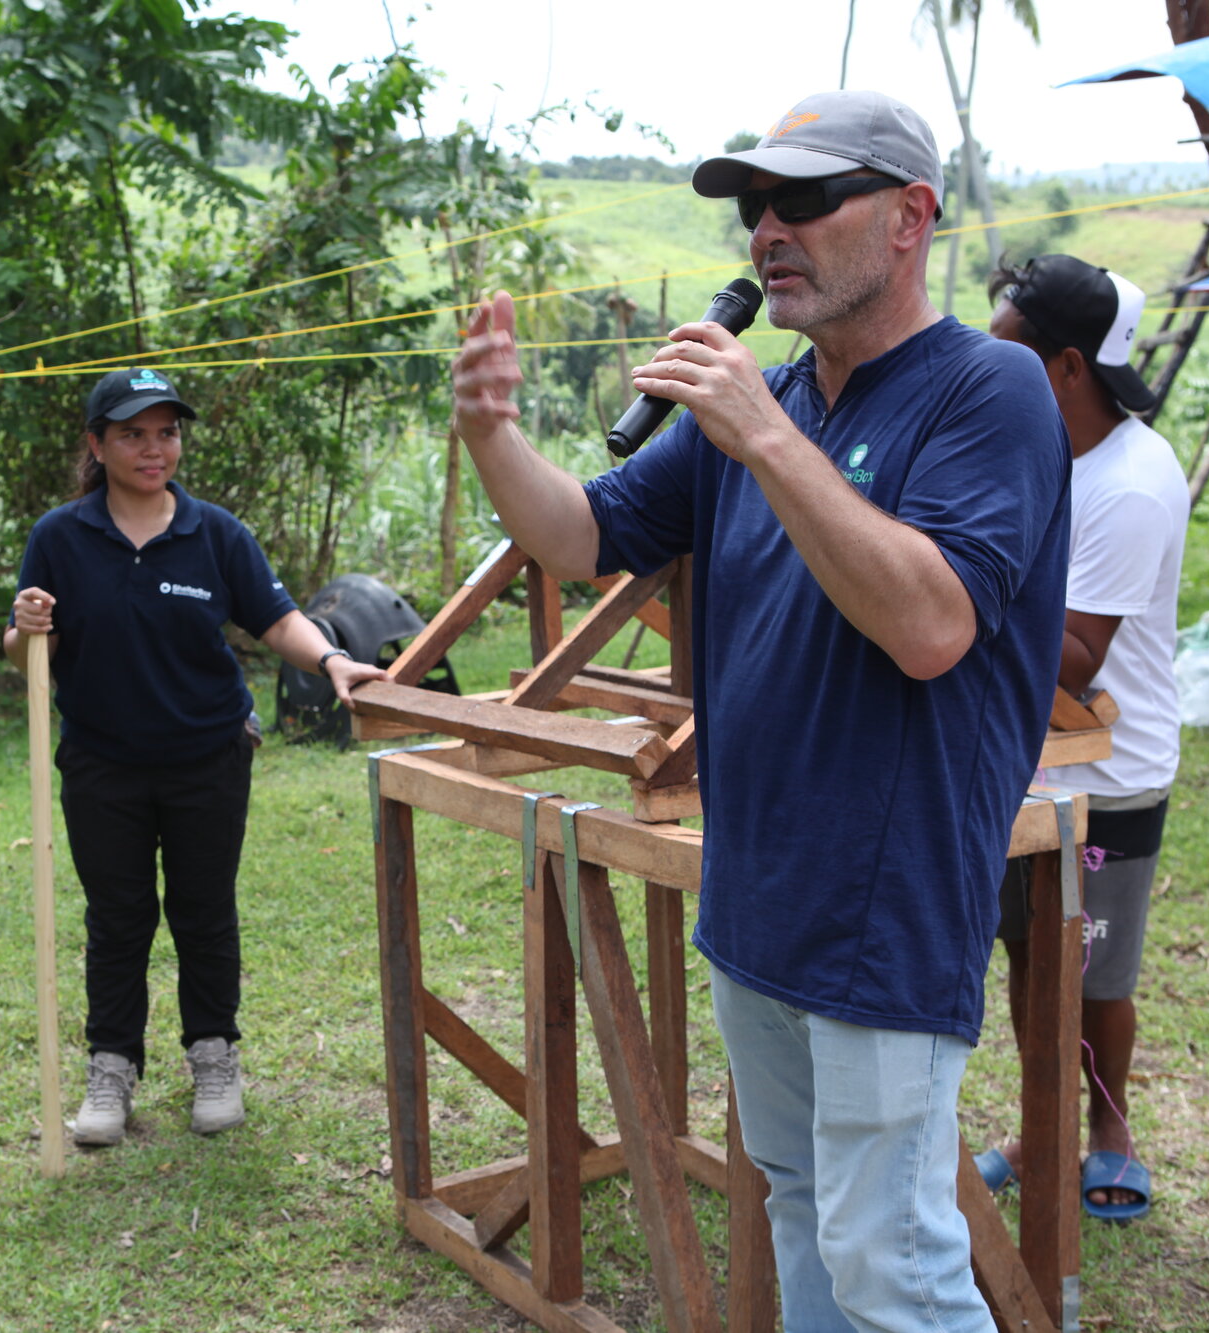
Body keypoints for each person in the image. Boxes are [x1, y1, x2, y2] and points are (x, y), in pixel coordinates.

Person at [450, 90, 1069, 1331]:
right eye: (750, 207)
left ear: (907, 218)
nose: (764, 231)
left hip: (885, 903)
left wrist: (760, 434)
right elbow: (580, 534)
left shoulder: (986, 390)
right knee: (797, 1207)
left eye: (799, 199)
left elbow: (930, 624)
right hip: (759, 891)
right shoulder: (768, 404)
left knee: (888, 1249)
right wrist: (491, 436)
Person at [5, 368, 386, 1149]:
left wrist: (333, 661)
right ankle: (111, 1070)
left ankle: (214, 1057)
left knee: (203, 910)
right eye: (133, 434)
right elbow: (24, 655)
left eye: (167, 432)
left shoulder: (215, 533)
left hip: (207, 757)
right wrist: (25, 627)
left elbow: (277, 619)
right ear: (96, 444)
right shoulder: (60, 537)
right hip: (103, 765)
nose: (154, 448)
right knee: (118, 918)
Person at [978, 255, 1188, 1225]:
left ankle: (1109, 1132)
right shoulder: (1040, 451)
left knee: (1093, 970)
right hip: (1025, 761)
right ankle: (1039, 1127)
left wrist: (950, 588)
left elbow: (1073, 652)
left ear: (1066, 366)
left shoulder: (1130, 482)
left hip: (1108, 775)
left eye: (1005, 350)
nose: (986, 363)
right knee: (1029, 954)